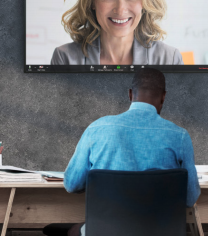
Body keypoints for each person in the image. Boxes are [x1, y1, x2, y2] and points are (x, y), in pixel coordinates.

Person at [64, 68, 200, 235]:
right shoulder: (180, 136)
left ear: (130, 94)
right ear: (164, 96)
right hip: (160, 230)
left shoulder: (97, 128)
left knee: (73, 231)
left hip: (107, 230)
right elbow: (190, 198)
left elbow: (72, 184)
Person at [51, 0, 183, 65]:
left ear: (145, 3)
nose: (120, 10)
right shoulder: (65, 58)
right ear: (92, 1)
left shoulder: (169, 59)